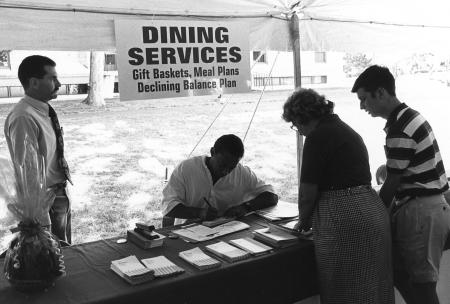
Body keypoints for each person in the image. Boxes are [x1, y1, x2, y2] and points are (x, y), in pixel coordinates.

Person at [283, 88, 394, 304]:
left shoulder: (317, 137)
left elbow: (307, 193)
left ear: (303, 117)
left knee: (344, 291)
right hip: (372, 210)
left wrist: (303, 222)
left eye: (296, 126)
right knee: (373, 290)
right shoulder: (346, 130)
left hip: (344, 220)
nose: (299, 132)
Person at [352, 65, 450, 304]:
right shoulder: (411, 116)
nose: (362, 106)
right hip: (429, 208)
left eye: (365, 99)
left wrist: (372, 214)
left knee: (424, 288)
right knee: (407, 278)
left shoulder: (399, 128)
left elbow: (393, 181)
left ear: (381, 92)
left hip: (420, 212)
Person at [4, 55, 73, 244]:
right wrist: (41, 221)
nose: (58, 83)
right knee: (53, 260)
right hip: (44, 205)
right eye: (52, 78)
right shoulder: (23, 117)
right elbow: (29, 171)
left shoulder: (41, 110)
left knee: (65, 255)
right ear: (34, 82)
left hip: (57, 195)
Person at [161, 134, 278, 223]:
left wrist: (245, 207)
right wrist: (200, 213)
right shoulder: (186, 169)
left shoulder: (242, 172)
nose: (225, 171)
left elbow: (271, 196)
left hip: (226, 232)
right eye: (222, 165)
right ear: (213, 152)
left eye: (231, 167)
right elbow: (169, 206)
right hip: (188, 233)